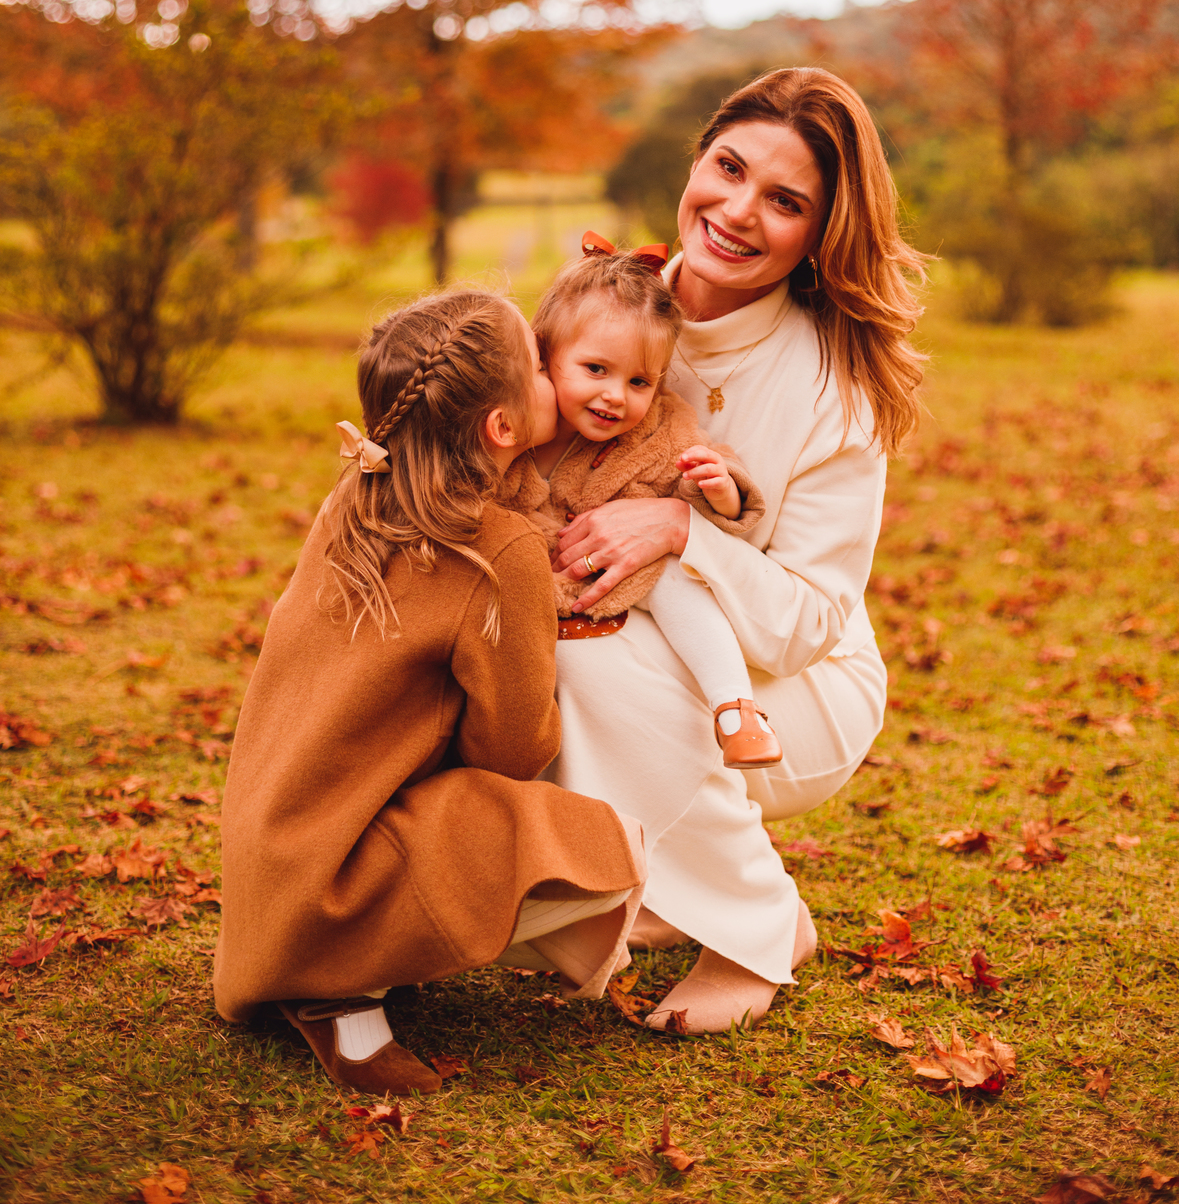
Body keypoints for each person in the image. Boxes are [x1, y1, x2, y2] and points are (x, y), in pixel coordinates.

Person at [544, 67, 926, 1035]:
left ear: (819, 236)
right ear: (698, 160)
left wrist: (680, 531)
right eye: (729, 168)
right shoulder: (604, 309)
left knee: (591, 658)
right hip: (623, 634)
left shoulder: (831, 387)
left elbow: (807, 621)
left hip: (790, 685)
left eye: (786, 201)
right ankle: (595, 887)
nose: (738, 211)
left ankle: (759, 919)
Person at [213, 289, 645, 1096]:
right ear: (502, 429)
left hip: (268, 865)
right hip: (328, 883)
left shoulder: (354, 496)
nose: (559, 374)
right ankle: (343, 988)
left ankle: (335, 952)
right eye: (540, 365)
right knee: (603, 845)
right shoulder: (501, 546)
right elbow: (514, 748)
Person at [516, 230, 781, 770]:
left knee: (678, 581)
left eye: (639, 380)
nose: (616, 395)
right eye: (596, 370)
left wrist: (719, 487)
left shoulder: (659, 430)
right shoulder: (520, 422)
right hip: (537, 584)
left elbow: (704, 481)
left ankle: (735, 707)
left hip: (626, 580)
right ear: (546, 352)